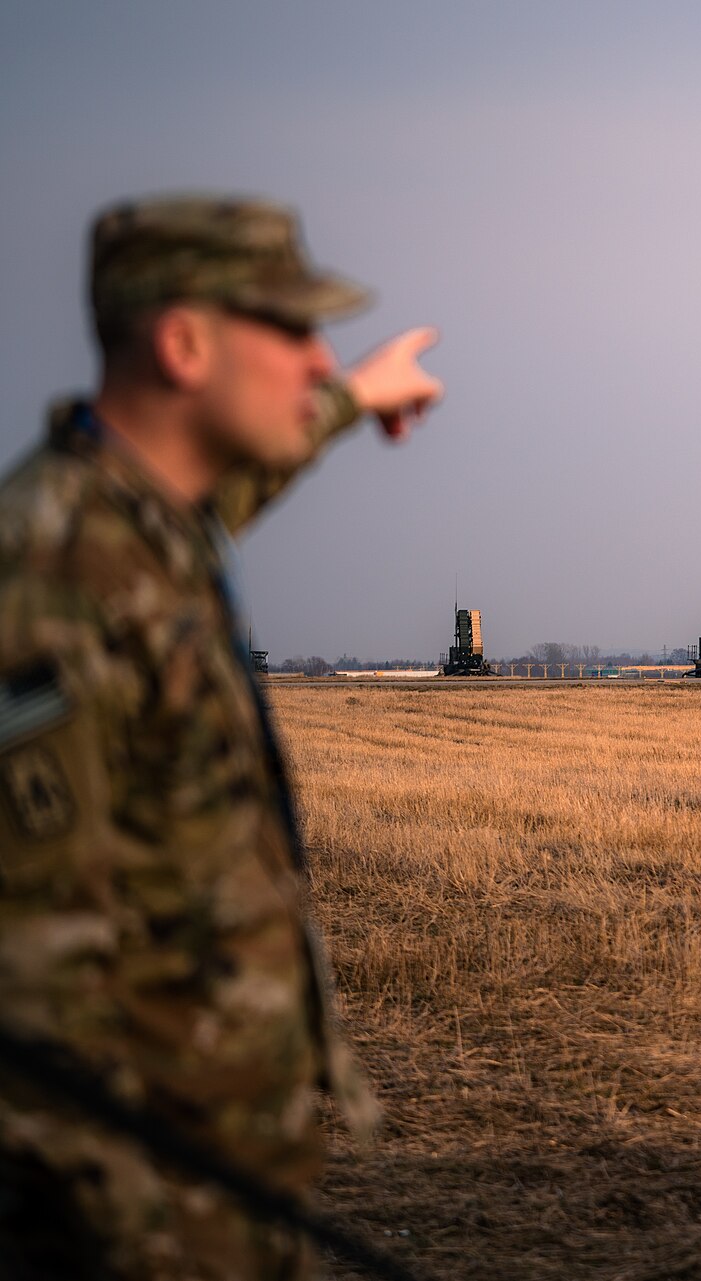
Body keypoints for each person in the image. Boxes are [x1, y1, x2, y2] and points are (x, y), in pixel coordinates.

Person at [0, 195, 444, 1280]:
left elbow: (235, 482)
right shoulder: (51, 579)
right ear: (184, 343)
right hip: (144, 1232)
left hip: (223, 1191)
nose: (316, 358)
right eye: (291, 330)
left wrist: (350, 400)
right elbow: (34, 1014)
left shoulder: (138, 526)